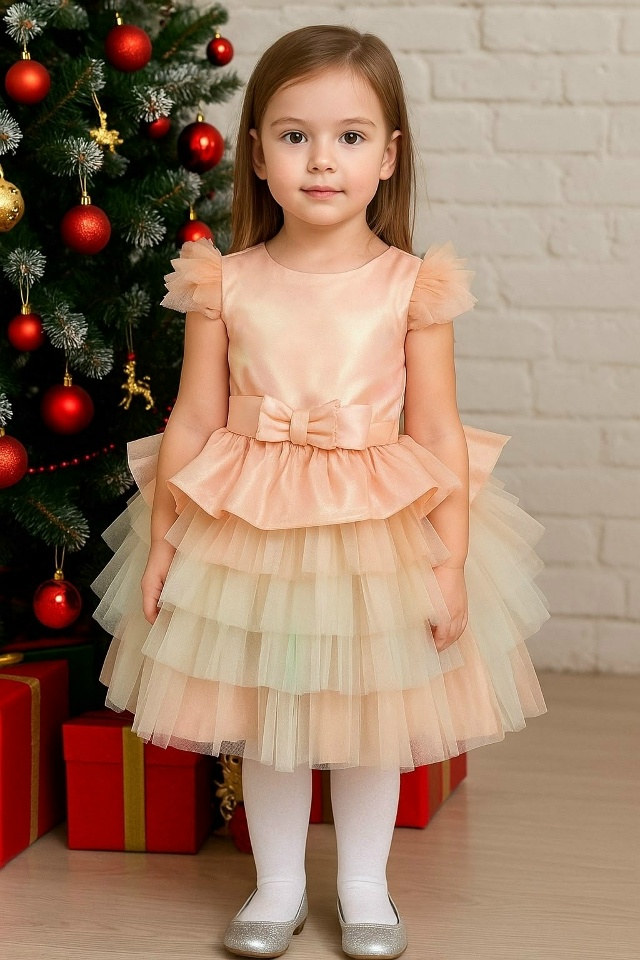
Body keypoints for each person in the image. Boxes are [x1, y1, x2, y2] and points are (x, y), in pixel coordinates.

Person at [91, 23, 551, 960]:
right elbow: (193, 420)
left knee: (368, 716)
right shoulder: (225, 282)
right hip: (248, 528)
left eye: (349, 136)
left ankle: (365, 887)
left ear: (389, 156)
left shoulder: (413, 288)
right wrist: (168, 539)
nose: (322, 160)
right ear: (258, 154)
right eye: (295, 135)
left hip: (373, 531)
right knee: (272, 716)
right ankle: (277, 886)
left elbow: (437, 433)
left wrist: (450, 559)